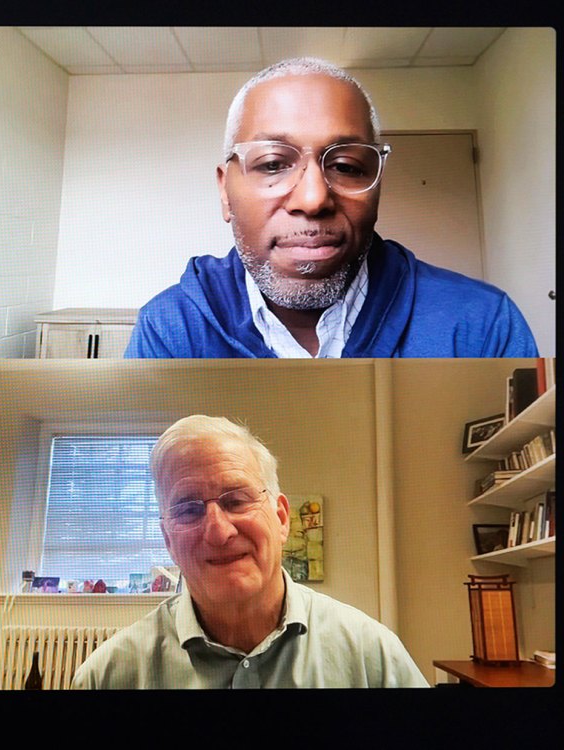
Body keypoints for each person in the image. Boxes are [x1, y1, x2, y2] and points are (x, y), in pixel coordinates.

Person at [125, 58, 537, 358]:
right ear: (224, 192)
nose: (313, 199)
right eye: (272, 164)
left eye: (346, 165)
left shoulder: (480, 325)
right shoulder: (170, 330)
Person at [72, 415, 428, 688]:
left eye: (236, 500)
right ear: (168, 540)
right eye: (188, 510)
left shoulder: (371, 656)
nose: (218, 531)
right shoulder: (109, 675)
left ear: (282, 518)